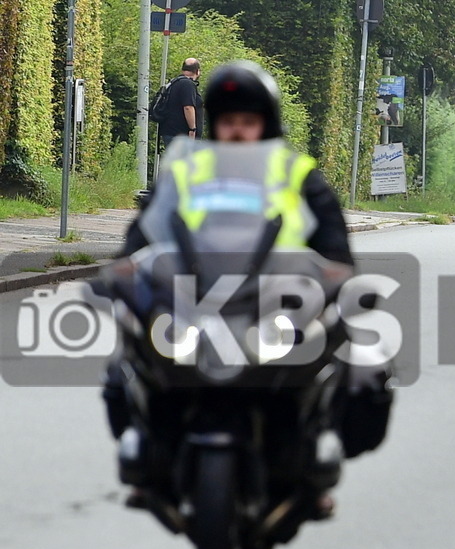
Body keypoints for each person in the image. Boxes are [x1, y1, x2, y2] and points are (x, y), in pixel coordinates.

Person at [106, 61, 388, 517]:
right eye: (229, 121)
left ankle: (310, 460)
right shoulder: (186, 172)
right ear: (215, 123)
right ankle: (151, 460)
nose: (238, 131)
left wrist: (341, 277)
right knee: (129, 361)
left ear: (266, 124)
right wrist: (123, 270)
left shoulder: (296, 173)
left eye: (248, 121)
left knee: (349, 367)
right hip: (194, 299)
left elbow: (335, 245)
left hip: (277, 303)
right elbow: (145, 232)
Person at [158, 58, 203, 149]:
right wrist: (192, 129)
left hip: (172, 133)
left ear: (182, 70)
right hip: (181, 136)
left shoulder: (175, 82)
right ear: (197, 71)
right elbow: (188, 107)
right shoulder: (187, 84)